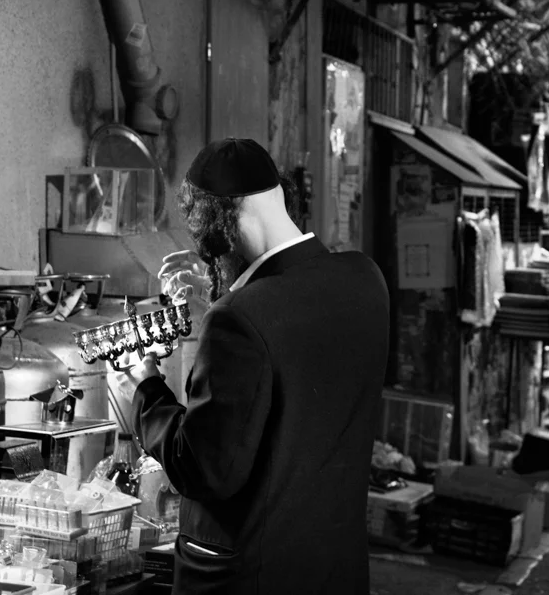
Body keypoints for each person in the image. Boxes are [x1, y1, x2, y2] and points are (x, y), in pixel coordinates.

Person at [114, 138, 390, 595]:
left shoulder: (239, 319)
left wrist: (145, 389)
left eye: (208, 249)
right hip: (333, 570)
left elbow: (204, 468)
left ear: (220, 227)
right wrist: (228, 293)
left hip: (249, 580)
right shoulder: (365, 281)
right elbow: (290, 362)